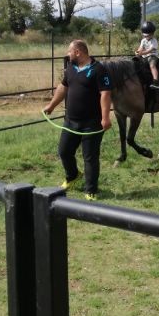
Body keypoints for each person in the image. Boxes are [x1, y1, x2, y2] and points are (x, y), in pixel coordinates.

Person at [43, 40, 112, 200]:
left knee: (90, 157)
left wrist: (105, 118)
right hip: (71, 121)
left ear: (78, 52)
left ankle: (91, 190)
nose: (68, 54)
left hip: (92, 123)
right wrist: (51, 105)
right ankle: (73, 176)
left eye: (70, 51)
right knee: (64, 151)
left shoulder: (99, 69)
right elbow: (63, 87)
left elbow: (106, 94)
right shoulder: (71, 67)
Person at [135, 20, 159, 89]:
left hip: (152, 56)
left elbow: (150, 50)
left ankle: (155, 82)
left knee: (152, 66)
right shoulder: (143, 40)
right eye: (145, 35)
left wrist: (142, 53)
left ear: (152, 34)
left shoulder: (154, 41)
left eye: (148, 35)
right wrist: (138, 51)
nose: (146, 37)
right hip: (144, 56)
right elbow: (140, 48)